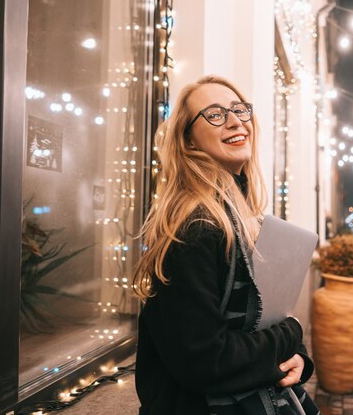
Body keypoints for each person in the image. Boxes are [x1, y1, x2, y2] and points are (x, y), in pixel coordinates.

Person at [132, 75, 318, 415]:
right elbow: (205, 360)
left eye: (239, 110)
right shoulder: (196, 228)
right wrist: (292, 332)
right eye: (215, 114)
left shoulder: (241, 216)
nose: (235, 121)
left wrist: (297, 360)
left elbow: (253, 323)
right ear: (188, 141)